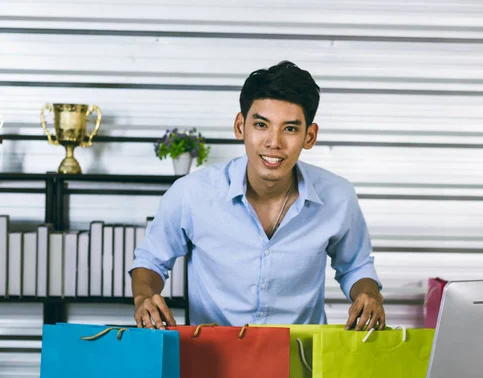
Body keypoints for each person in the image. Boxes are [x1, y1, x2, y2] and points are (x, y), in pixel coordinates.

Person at [129, 60, 385, 332]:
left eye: (290, 128)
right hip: (212, 356)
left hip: (301, 359)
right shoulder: (191, 193)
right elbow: (150, 261)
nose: (274, 142)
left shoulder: (338, 196)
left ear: (309, 136)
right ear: (240, 126)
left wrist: (368, 295)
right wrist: (145, 298)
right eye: (262, 125)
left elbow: (357, 267)